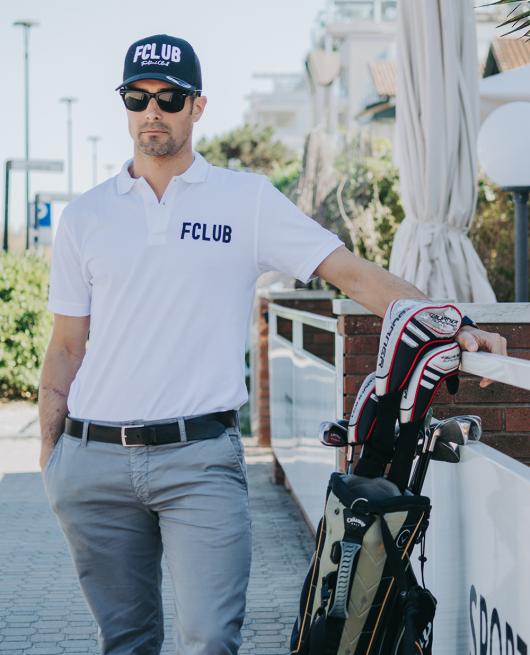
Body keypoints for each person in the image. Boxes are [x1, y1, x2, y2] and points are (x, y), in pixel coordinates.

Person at [38, 33, 507, 655]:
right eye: (138, 96)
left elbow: (355, 275)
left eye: (169, 97)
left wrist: (449, 320)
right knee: (124, 641)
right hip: (92, 462)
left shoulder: (245, 200)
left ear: (196, 107)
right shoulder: (86, 216)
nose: (152, 110)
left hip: (197, 460)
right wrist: (53, 465)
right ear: (125, 104)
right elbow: (67, 346)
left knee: (211, 638)